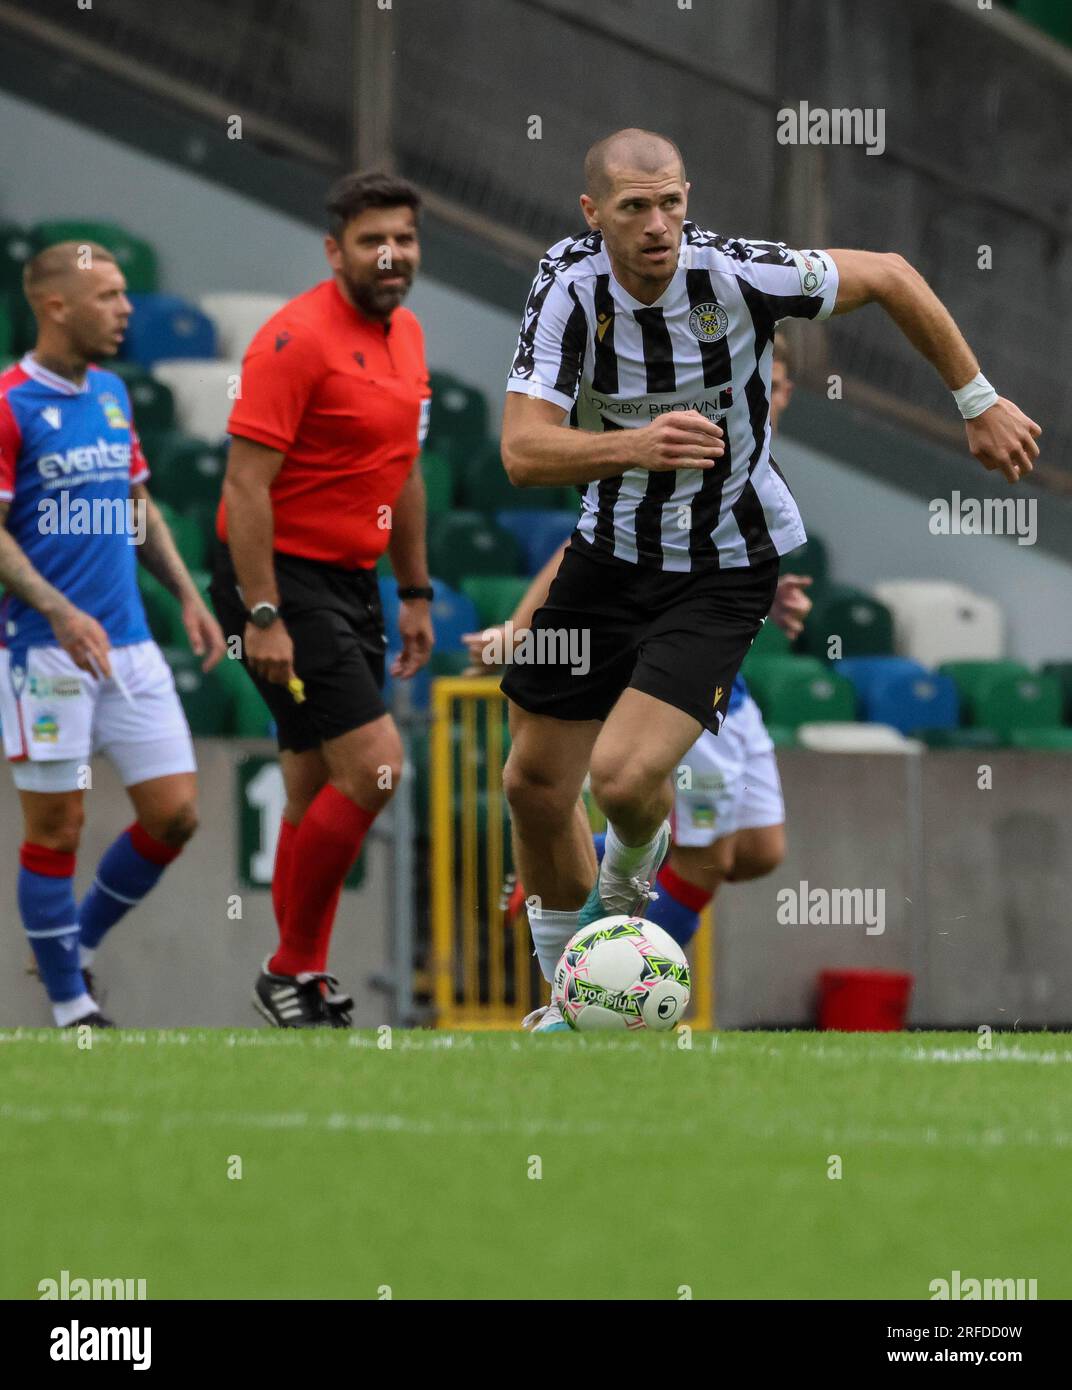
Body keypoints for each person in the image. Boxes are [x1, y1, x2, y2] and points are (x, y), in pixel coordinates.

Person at [498, 127, 1041, 1031]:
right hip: (607, 558)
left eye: (672, 201)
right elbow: (520, 451)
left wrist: (977, 400)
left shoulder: (737, 273)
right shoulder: (566, 285)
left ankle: (628, 881)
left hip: (723, 567)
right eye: (635, 208)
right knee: (532, 788)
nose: (660, 224)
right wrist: (638, 443)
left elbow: (893, 274)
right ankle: (572, 1003)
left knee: (626, 784)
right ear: (593, 215)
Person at [469, 333, 808, 958]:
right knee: (704, 859)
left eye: (784, 383)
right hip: (674, 683)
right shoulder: (688, 434)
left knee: (760, 851)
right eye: (767, 378)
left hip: (732, 684)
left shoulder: (753, 459)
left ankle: (592, 856)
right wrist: (519, 632)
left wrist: (775, 596)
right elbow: (588, 546)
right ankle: (613, 989)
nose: (776, 393)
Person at [211, 171, 434, 1029]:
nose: (392, 254)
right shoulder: (292, 340)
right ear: (335, 250)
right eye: (374, 239)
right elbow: (246, 485)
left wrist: (413, 591)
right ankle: (290, 967)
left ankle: (296, 983)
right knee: (378, 765)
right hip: (274, 571)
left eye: (405, 239)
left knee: (311, 783)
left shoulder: (408, 335)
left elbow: (404, 474)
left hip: (352, 577)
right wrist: (262, 613)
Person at [0, 241, 226, 1028]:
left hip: (129, 644)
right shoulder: (9, 402)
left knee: (175, 814)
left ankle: (74, 942)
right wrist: (59, 610)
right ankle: (70, 1006)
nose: (127, 309)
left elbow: (138, 506)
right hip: (43, 652)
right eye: (110, 296)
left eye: (129, 294)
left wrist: (188, 598)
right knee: (56, 827)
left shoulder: (112, 395)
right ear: (55, 305)